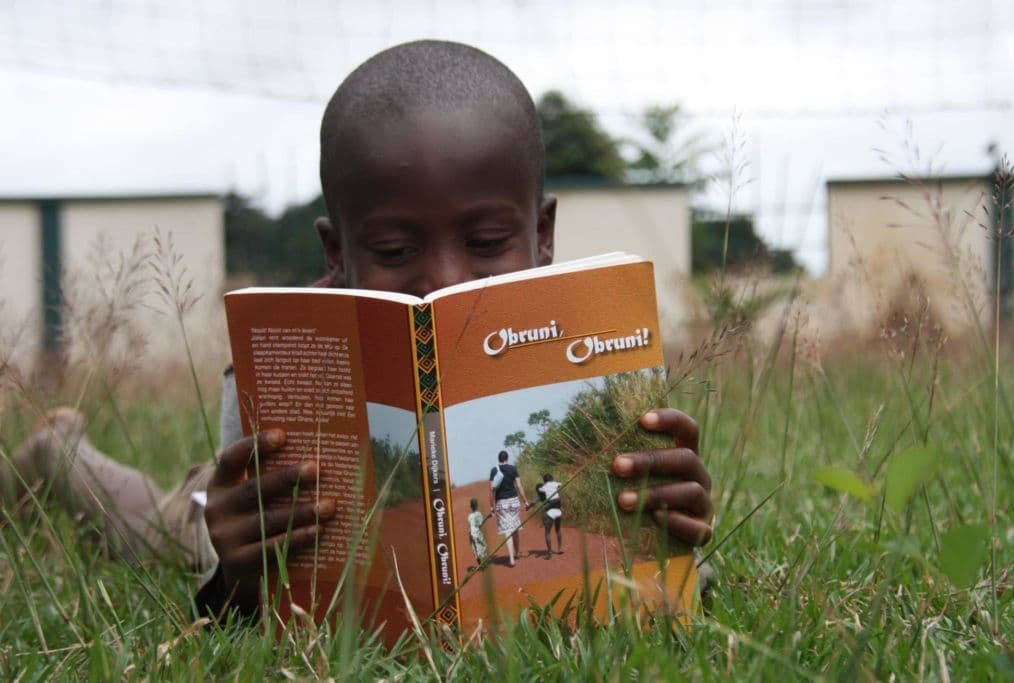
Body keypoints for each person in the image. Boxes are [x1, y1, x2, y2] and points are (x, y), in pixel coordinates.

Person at [1, 40, 714, 618]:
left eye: (490, 240)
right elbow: (249, 597)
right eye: (396, 252)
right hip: (242, 511)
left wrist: (668, 525)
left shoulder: (586, 340)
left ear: (543, 231)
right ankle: (60, 453)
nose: (446, 280)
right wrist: (241, 566)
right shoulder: (291, 348)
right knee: (159, 526)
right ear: (337, 252)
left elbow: (662, 577)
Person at [488, 450, 530, 567]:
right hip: (514, 502)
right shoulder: (513, 469)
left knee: (507, 531)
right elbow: (519, 486)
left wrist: (492, 507)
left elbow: (491, 490)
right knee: (515, 527)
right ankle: (517, 552)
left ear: (499, 459)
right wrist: (525, 501)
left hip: (502, 503)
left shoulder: (494, 470)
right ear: (507, 458)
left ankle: (511, 558)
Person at [534, 474, 563, 558]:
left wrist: (529, 505)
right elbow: (560, 488)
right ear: (552, 479)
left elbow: (537, 498)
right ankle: (560, 548)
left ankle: (550, 552)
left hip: (550, 513)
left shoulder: (543, 489)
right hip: (558, 510)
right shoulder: (556, 485)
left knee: (547, 532)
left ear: (544, 481)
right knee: (558, 529)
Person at [467, 497, 489, 568]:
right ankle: (484, 563)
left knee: (475, 548)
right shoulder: (478, 514)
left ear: (471, 506)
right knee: (483, 546)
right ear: (477, 505)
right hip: (477, 533)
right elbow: (480, 524)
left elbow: (469, 525)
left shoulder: (469, 516)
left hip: (470, 533)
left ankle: (479, 564)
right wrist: (488, 517)